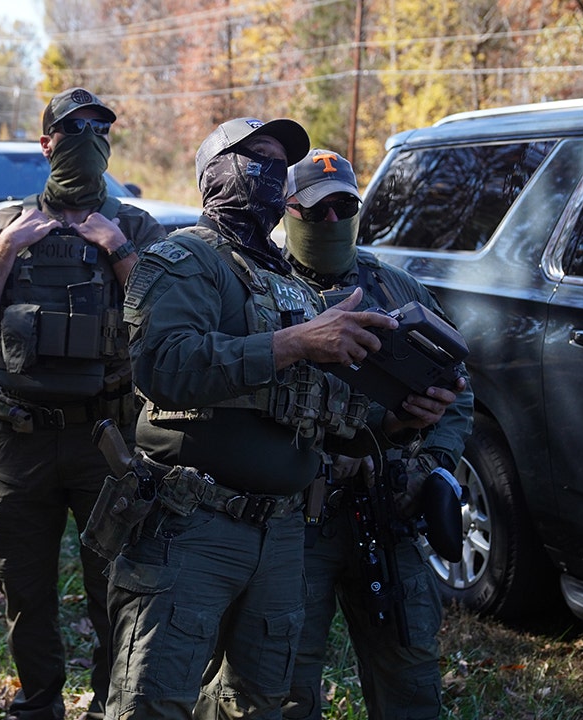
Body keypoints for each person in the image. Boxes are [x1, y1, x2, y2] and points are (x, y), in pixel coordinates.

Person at [105, 118, 400, 720]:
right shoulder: (183, 258)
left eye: (279, 163)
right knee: (153, 703)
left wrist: (402, 415)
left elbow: (315, 400)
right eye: (256, 158)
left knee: (259, 703)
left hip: (284, 533)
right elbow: (162, 366)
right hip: (193, 525)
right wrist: (293, 343)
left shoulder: (285, 282)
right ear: (214, 173)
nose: (272, 174)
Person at [0, 87, 167, 720]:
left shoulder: (138, 226)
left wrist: (117, 250)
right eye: (73, 129)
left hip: (109, 439)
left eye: (100, 128)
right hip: (20, 438)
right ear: (47, 144)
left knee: (115, 587)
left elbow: (165, 326)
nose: (88, 138)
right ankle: (38, 703)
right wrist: (9, 249)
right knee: (24, 587)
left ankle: (108, 706)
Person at [278, 148, 474, 720]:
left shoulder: (396, 289)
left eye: (344, 207)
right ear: (287, 211)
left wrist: (432, 459)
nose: (332, 222)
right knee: (286, 679)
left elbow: (459, 389)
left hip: (387, 509)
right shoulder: (262, 290)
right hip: (293, 520)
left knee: (410, 673)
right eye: (316, 211)